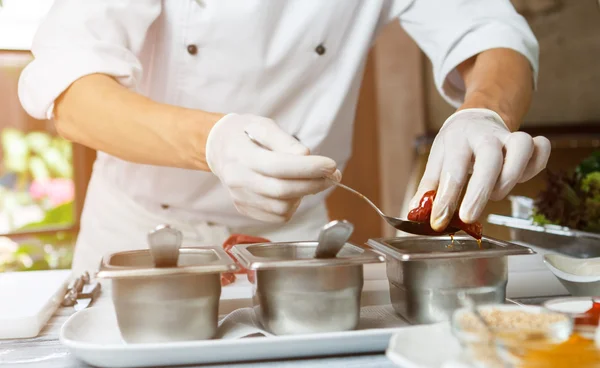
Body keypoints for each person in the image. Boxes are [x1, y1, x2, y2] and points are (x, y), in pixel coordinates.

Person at [18, 0, 550, 274]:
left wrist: (482, 114)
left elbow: (491, 32)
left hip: (294, 245)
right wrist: (214, 142)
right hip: (139, 236)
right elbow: (71, 93)